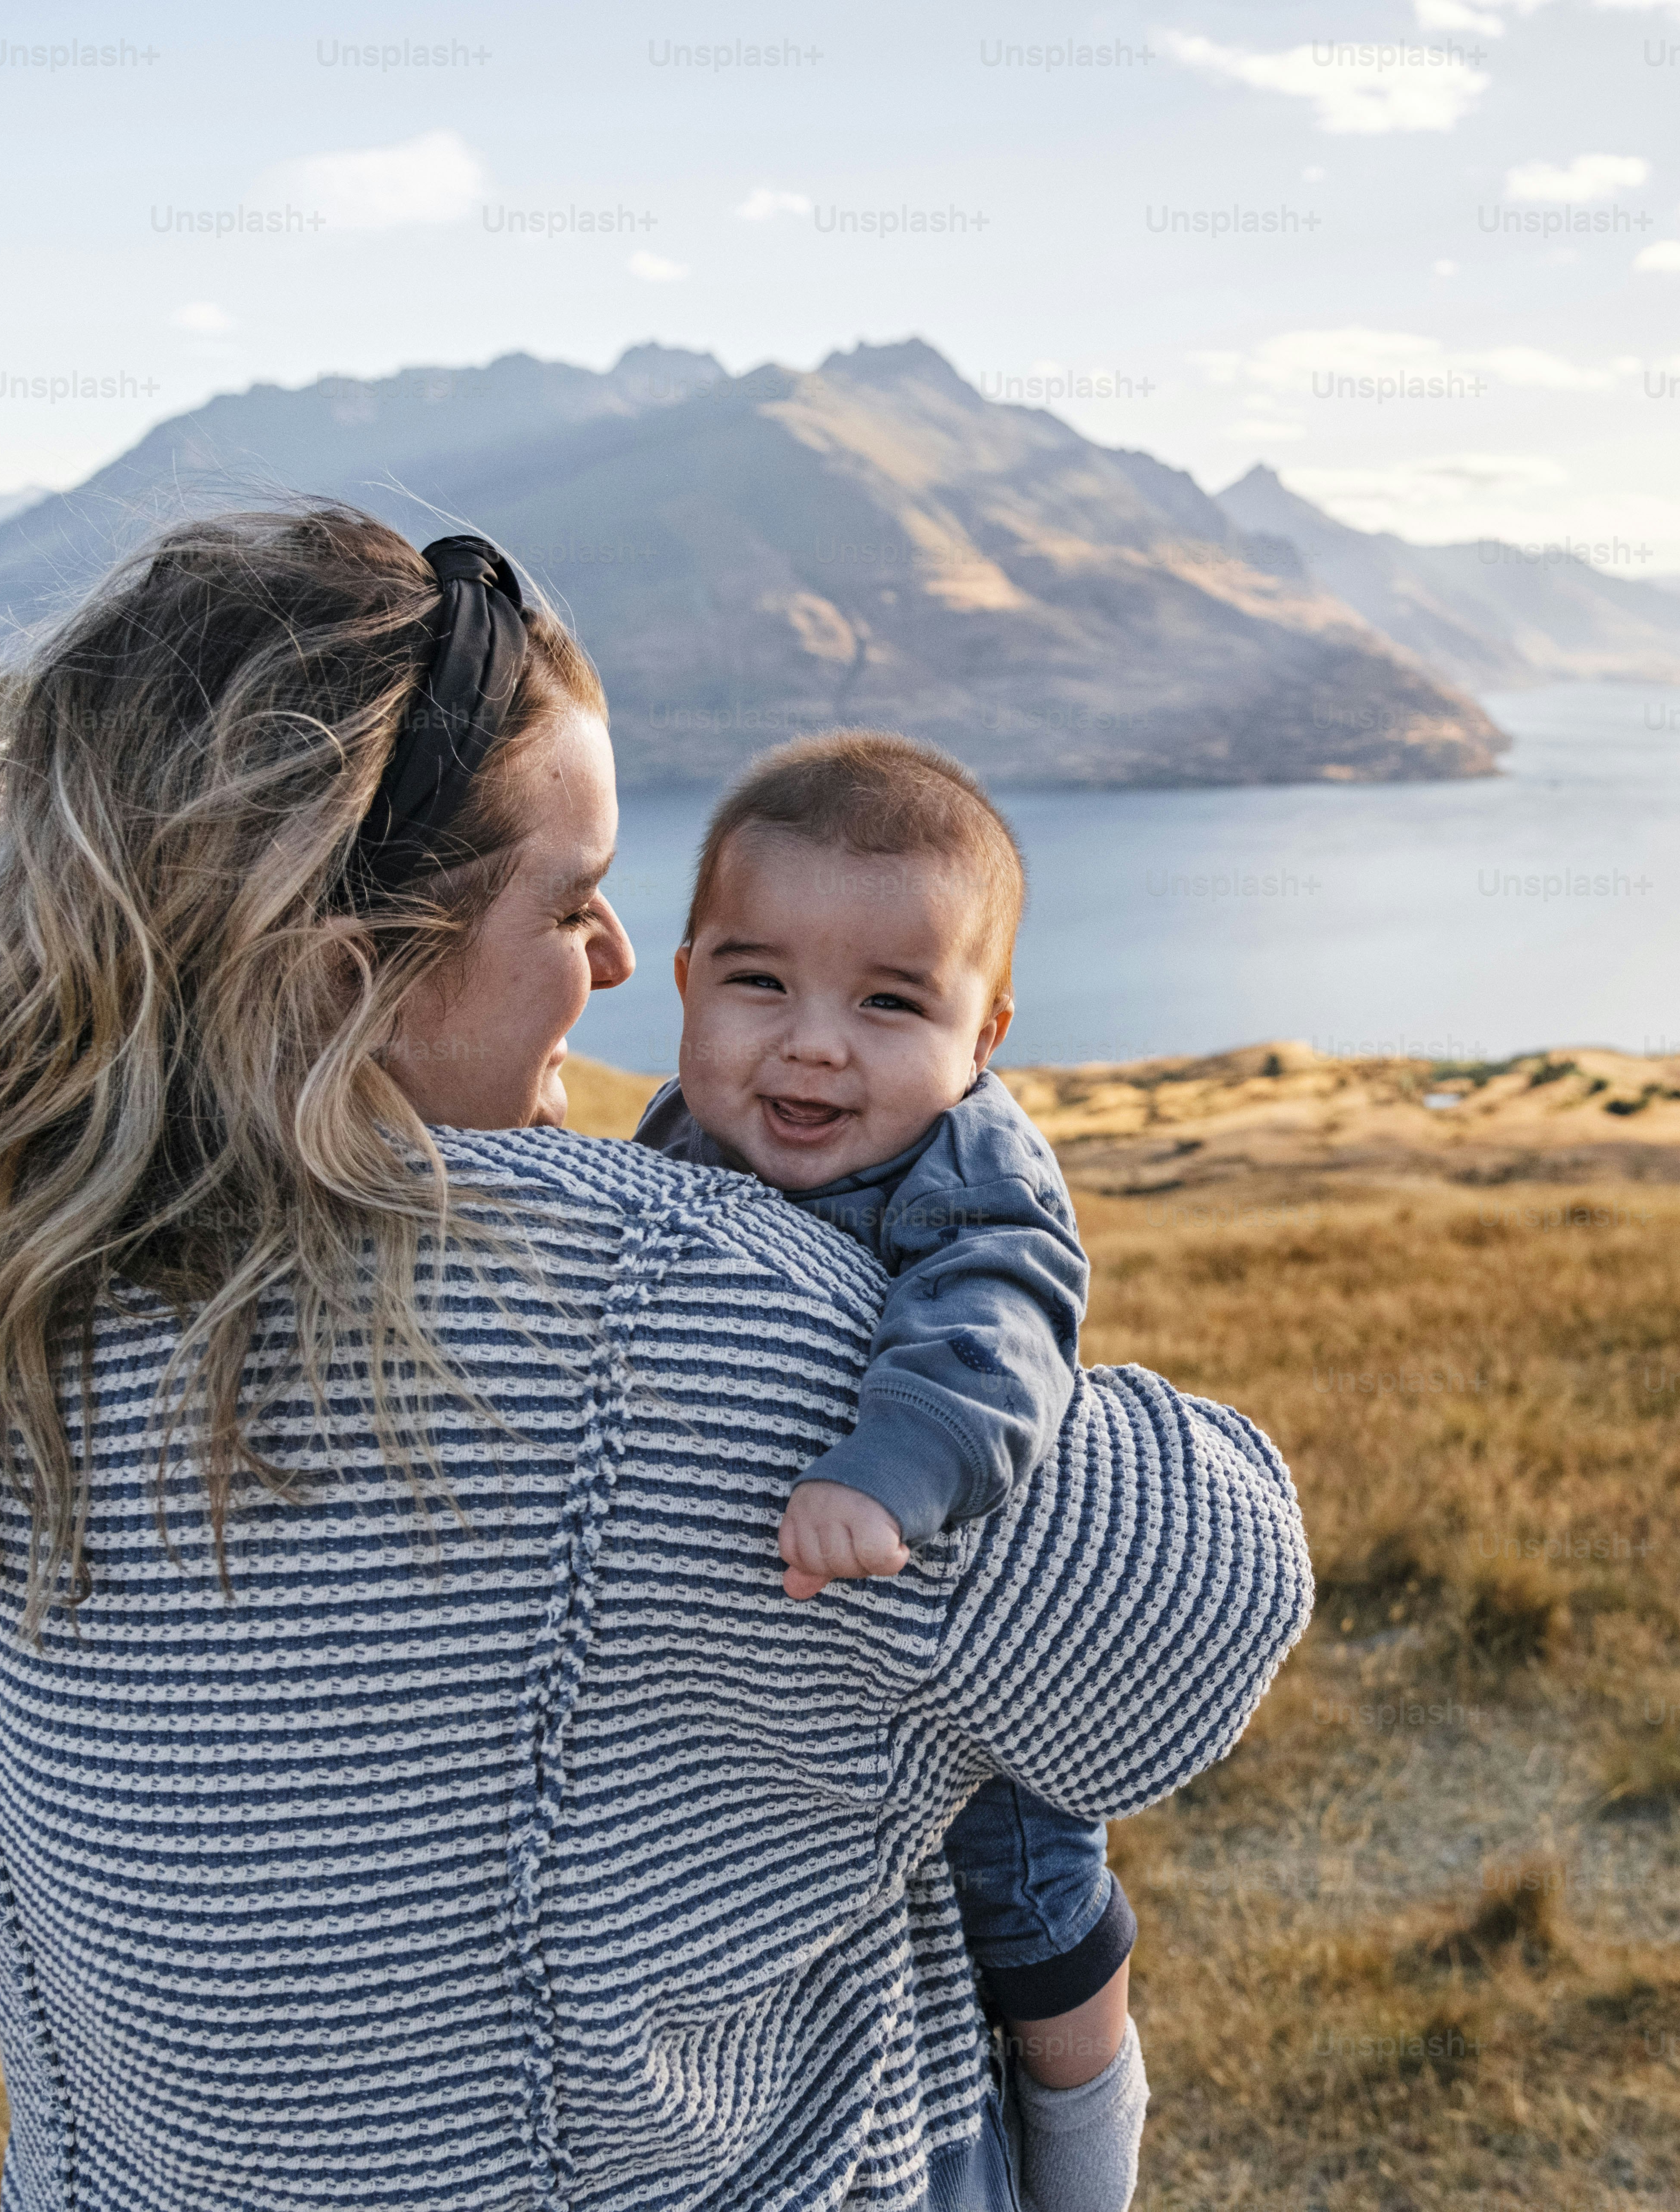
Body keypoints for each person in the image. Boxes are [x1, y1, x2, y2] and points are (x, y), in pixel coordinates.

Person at [0, 506, 1311, 2211]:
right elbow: (1196, 1612)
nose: (624, 960)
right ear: (351, 974)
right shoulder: (652, 1299)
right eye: (569, 901)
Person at [625, 732, 1139, 2182]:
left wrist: (887, 1476)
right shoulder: (681, 1141)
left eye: (889, 1003)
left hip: (971, 1667)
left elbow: (998, 1333)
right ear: (685, 985)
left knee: (1032, 1909)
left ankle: (1088, 2147)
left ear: (984, 1043)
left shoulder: (964, 1166)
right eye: (759, 981)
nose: (812, 1041)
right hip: (805, 1681)